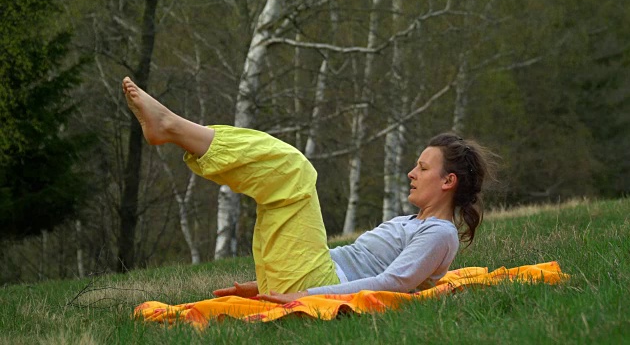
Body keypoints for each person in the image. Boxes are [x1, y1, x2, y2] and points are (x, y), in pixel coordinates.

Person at [122, 76, 497, 304]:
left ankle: (171, 126)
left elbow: (392, 284)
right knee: (278, 181)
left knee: (293, 170)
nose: (411, 172)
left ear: (449, 182)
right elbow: (351, 259)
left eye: (423, 167)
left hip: (319, 285)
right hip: (315, 274)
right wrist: (261, 286)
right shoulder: (413, 222)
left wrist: (302, 296)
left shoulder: (440, 233)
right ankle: (172, 128)